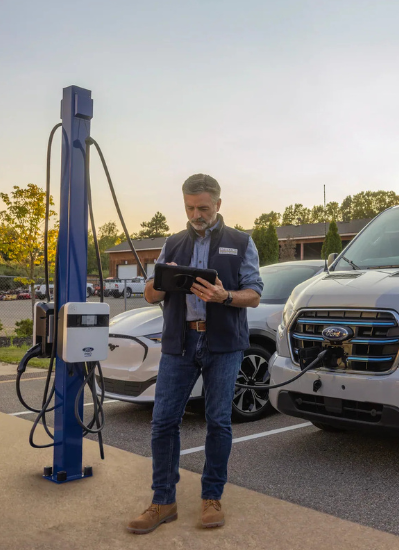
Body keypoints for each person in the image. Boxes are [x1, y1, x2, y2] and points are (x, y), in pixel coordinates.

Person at [127, 174, 263, 534]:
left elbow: (255, 294)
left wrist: (226, 297)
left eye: (203, 207)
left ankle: (211, 497)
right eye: (189, 207)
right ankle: (163, 501)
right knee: (163, 422)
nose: (196, 214)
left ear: (218, 204)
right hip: (179, 343)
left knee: (218, 422)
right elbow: (150, 295)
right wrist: (162, 280)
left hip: (223, 344)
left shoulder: (241, 242)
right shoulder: (171, 244)